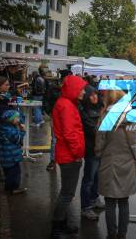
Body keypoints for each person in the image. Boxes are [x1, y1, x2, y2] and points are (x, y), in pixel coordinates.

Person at [95, 90, 136, 239]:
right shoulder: (132, 118)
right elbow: (133, 142)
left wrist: (99, 153)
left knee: (110, 202)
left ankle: (111, 235)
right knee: (124, 201)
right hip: (127, 163)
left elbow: (99, 144)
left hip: (109, 162)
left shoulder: (105, 118)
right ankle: (122, 235)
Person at [51, 75, 87, 238]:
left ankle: (62, 224)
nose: (84, 92)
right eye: (81, 89)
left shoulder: (66, 103)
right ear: (73, 89)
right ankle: (57, 228)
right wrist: (78, 153)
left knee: (67, 192)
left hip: (67, 154)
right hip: (70, 156)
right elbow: (69, 133)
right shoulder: (66, 105)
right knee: (67, 193)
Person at [79, 85, 105, 220]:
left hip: (100, 148)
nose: (94, 97)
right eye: (91, 95)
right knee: (88, 178)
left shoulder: (101, 107)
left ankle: (94, 198)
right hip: (91, 149)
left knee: (97, 177)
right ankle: (86, 207)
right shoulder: (85, 111)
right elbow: (94, 130)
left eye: (95, 94)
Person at [0, 110, 26, 194]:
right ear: (10, 120)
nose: (18, 119)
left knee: (7, 173)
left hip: (4, 157)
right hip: (12, 157)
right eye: (16, 118)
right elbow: (18, 140)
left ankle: (8, 187)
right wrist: (22, 131)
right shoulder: (11, 131)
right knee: (15, 173)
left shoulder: (3, 128)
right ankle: (14, 188)